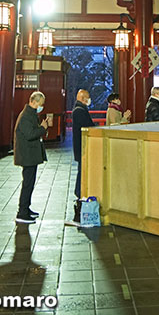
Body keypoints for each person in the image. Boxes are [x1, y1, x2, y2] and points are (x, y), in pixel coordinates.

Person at [14, 91, 48, 224]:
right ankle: (22, 213)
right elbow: (30, 134)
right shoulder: (26, 116)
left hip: (30, 155)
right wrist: (43, 128)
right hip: (27, 155)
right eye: (41, 104)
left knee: (29, 183)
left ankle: (26, 209)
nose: (41, 107)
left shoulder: (30, 114)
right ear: (33, 102)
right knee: (27, 184)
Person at [72, 89, 95, 222]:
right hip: (83, 147)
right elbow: (89, 126)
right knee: (82, 171)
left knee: (82, 170)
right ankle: (79, 192)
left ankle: (79, 192)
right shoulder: (79, 111)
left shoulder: (79, 109)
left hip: (81, 146)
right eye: (88, 97)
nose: (89, 99)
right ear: (82, 98)